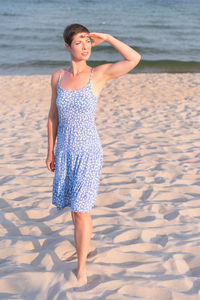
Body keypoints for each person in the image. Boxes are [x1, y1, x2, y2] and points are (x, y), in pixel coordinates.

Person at [46, 23, 141, 285]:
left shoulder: (98, 75)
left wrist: (108, 37)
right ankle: (83, 246)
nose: (85, 46)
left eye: (88, 41)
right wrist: (50, 150)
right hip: (65, 151)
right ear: (67, 46)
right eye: (79, 42)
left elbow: (134, 58)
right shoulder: (57, 76)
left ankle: (82, 266)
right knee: (75, 212)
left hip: (89, 152)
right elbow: (53, 116)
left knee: (82, 208)